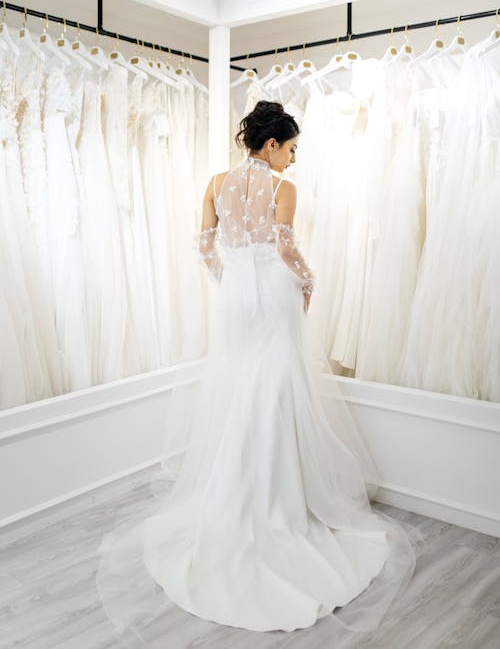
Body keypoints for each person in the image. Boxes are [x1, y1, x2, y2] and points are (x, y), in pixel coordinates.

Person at [95, 101, 424, 640]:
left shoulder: (216, 182)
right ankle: (276, 502)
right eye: (291, 149)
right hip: (273, 294)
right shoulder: (280, 189)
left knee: (239, 389)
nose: (293, 160)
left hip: (234, 298)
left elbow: (204, 245)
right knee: (275, 391)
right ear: (270, 146)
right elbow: (287, 246)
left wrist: (230, 281)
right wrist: (310, 281)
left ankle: (235, 495)